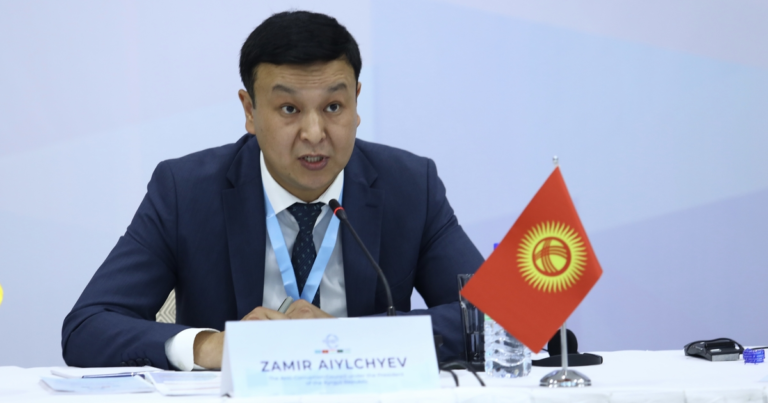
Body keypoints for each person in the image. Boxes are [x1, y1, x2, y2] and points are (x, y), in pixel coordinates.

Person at [62, 10, 483, 371]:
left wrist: (351, 338)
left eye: (333, 107)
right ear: (250, 111)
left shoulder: (410, 185)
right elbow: (88, 326)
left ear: (356, 102)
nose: (314, 133)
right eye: (289, 109)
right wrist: (210, 346)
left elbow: (496, 316)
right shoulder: (185, 191)